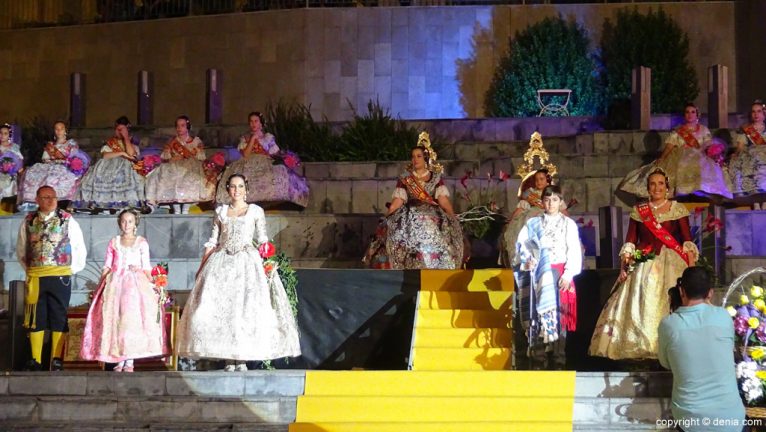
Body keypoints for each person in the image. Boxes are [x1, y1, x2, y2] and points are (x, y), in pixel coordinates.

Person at [176, 174, 301, 370]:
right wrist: (202, 267)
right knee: (223, 309)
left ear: (246, 189)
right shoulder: (221, 211)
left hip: (246, 262)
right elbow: (212, 241)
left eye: (240, 186)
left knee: (244, 310)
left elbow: (262, 240)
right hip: (222, 262)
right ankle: (228, 358)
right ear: (228, 189)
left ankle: (241, 357)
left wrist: (267, 263)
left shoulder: (255, 211)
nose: (237, 190)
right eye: (233, 186)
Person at [590, 168, 698, 360]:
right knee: (642, 301)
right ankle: (640, 346)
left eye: (660, 184)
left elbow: (687, 240)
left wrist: (691, 270)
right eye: (652, 184)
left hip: (671, 262)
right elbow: (631, 239)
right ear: (648, 188)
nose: (657, 188)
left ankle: (671, 346)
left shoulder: (677, 208)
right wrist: (626, 260)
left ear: (667, 188)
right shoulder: (639, 211)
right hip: (644, 262)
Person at [80, 209, 169, 371]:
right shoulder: (114, 242)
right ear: (119, 223)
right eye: (123, 221)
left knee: (131, 320)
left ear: (136, 223)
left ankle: (130, 359)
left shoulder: (141, 242)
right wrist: (101, 285)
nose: (126, 224)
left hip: (134, 284)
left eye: (130, 221)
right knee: (115, 320)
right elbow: (107, 265)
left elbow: (146, 267)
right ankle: (118, 357)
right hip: (115, 283)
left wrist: (154, 284)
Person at [658, 267, 745, 432]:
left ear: (681, 290)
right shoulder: (723, 317)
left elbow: (665, 363)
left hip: (690, 419)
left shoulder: (668, 325)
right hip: (731, 419)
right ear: (710, 293)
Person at [363, 134, 463, 269]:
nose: (415, 159)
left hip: (432, 213)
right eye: (413, 156)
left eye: (419, 156)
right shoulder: (406, 178)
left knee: (444, 227)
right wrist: (387, 216)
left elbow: (443, 201)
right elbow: (397, 202)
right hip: (410, 213)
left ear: (426, 158)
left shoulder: (436, 178)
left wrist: (452, 216)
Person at [15, 185, 87, 371]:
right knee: (35, 316)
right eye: (46, 197)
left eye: (53, 197)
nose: (50, 200)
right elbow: (21, 249)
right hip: (37, 276)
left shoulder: (67, 220)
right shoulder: (28, 220)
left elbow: (79, 247)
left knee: (58, 315)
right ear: (37, 199)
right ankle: (36, 360)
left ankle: (56, 359)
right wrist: (31, 269)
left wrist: (71, 269)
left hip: (60, 275)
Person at [515, 185, 582, 369]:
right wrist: (526, 261)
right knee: (537, 314)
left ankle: (558, 359)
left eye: (554, 200)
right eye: (547, 199)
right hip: (539, 274)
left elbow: (574, 251)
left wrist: (568, 274)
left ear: (560, 202)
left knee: (559, 316)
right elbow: (523, 246)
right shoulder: (533, 223)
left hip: (560, 273)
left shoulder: (568, 224)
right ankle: (538, 359)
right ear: (542, 202)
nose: (551, 203)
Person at [617, 103, 732, 204]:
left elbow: (708, 144)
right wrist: (662, 158)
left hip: (700, 156)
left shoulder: (704, 130)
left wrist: (714, 154)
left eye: (693, 112)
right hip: (681, 156)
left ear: (697, 114)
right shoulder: (678, 131)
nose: (690, 114)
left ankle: (703, 194)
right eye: (687, 112)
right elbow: (669, 146)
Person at [215, 111, 309, 208]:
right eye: (251, 122)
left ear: (261, 123)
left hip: (265, 161)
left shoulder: (267, 137)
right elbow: (246, 154)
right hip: (248, 161)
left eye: (256, 121)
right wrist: (253, 139)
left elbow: (274, 153)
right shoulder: (245, 138)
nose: (253, 124)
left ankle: (272, 202)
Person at [145, 115, 215, 214]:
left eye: (182, 125)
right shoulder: (171, 142)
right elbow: (165, 156)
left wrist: (186, 156)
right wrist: (173, 158)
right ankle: (176, 210)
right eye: (177, 126)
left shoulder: (195, 141)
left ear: (188, 126)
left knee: (188, 177)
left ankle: (185, 209)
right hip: (174, 166)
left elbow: (200, 156)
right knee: (165, 175)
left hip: (191, 166)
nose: (179, 128)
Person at [498, 169, 567, 268]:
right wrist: (511, 221)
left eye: (541, 179)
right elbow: (520, 208)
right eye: (536, 179)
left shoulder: (554, 195)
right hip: (530, 218)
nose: (539, 182)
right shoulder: (530, 194)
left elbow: (564, 211)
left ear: (547, 179)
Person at [75, 116, 145, 212]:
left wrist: (126, 138)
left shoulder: (132, 144)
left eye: (122, 129)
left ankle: (123, 203)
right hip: (109, 167)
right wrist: (122, 153)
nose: (119, 132)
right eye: (117, 129)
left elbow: (132, 155)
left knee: (125, 176)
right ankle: (102, 204)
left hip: (127, 167)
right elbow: (105, 156)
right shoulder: (110, 143)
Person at [18, 121, 83, 210]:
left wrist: (62, 160)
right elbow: (45, 158)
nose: (59, 131)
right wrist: (51, 160)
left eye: (61, 129)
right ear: (54, 131)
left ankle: (56, 202)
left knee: (52, 178)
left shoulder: (71, 144)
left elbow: (75, 158)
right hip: (50, 165)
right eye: (57, 129)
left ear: (65, 130)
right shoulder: (50, 145)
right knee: (32, 173)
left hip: (65, 167)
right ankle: (34, 201)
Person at [729, 100, 766, 201]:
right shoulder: (746, 129)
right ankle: (754, 197)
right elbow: (740, 147)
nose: (756, 114)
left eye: (759, 111)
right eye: (753, 112)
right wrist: (736, 154)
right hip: (751, 155)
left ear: (764, 113)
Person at [0, 123, 23, 210]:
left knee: (8, 201)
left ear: (9, 135)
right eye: (0, 133)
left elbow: (19, 161)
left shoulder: (14, 147)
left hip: (11, 176)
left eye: (5, 133)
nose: (2, 135)